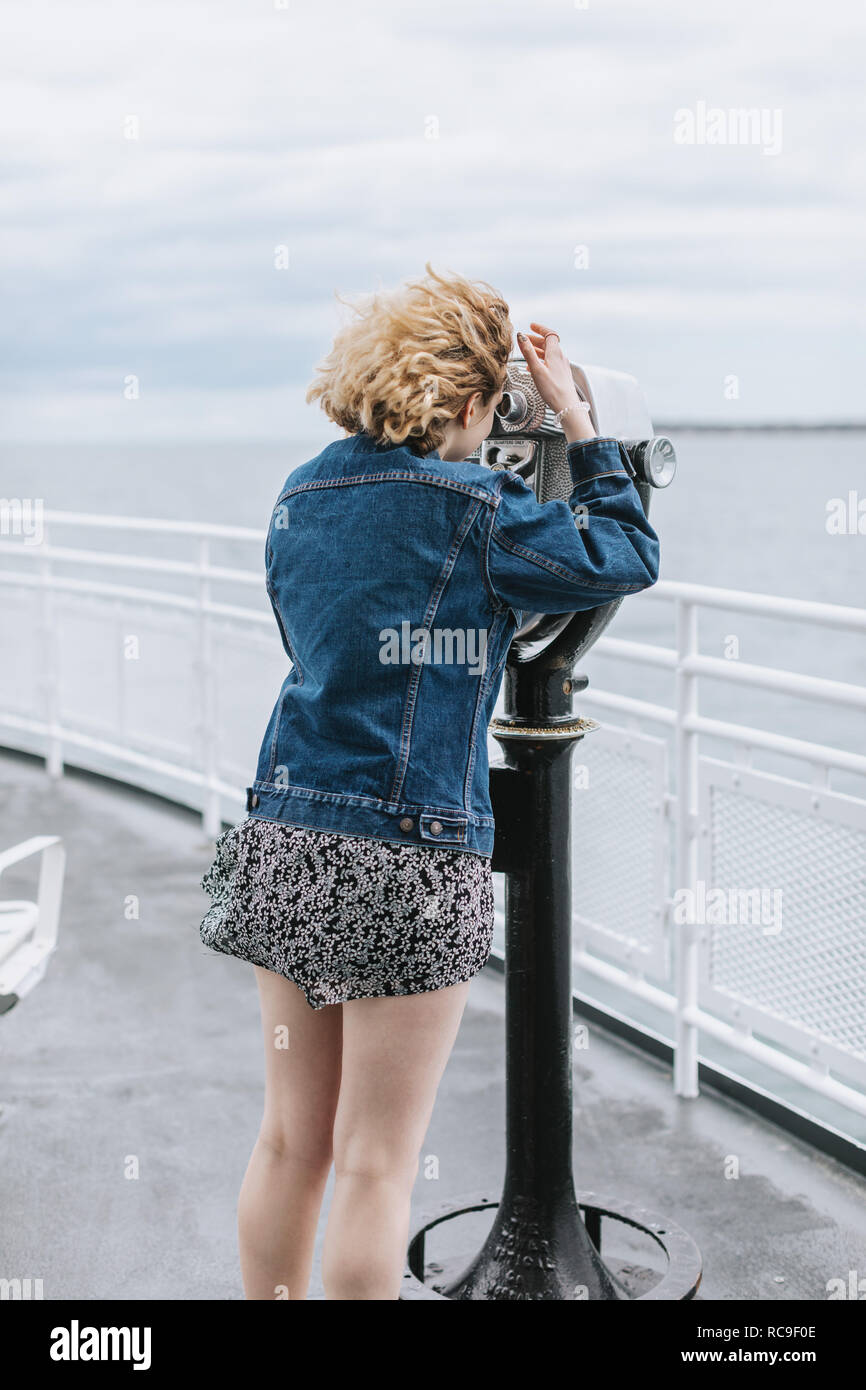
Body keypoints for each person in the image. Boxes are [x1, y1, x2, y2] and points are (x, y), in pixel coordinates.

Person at [199, 263, 660, 1300]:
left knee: (288, 1143)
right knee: (375, 1160)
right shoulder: (478, 508)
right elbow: (624, 551)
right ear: (463, 401)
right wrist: (581, 429)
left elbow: (319, 640)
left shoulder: (302, 490)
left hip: (282, 834)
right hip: (407, 854)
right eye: (490, 413)